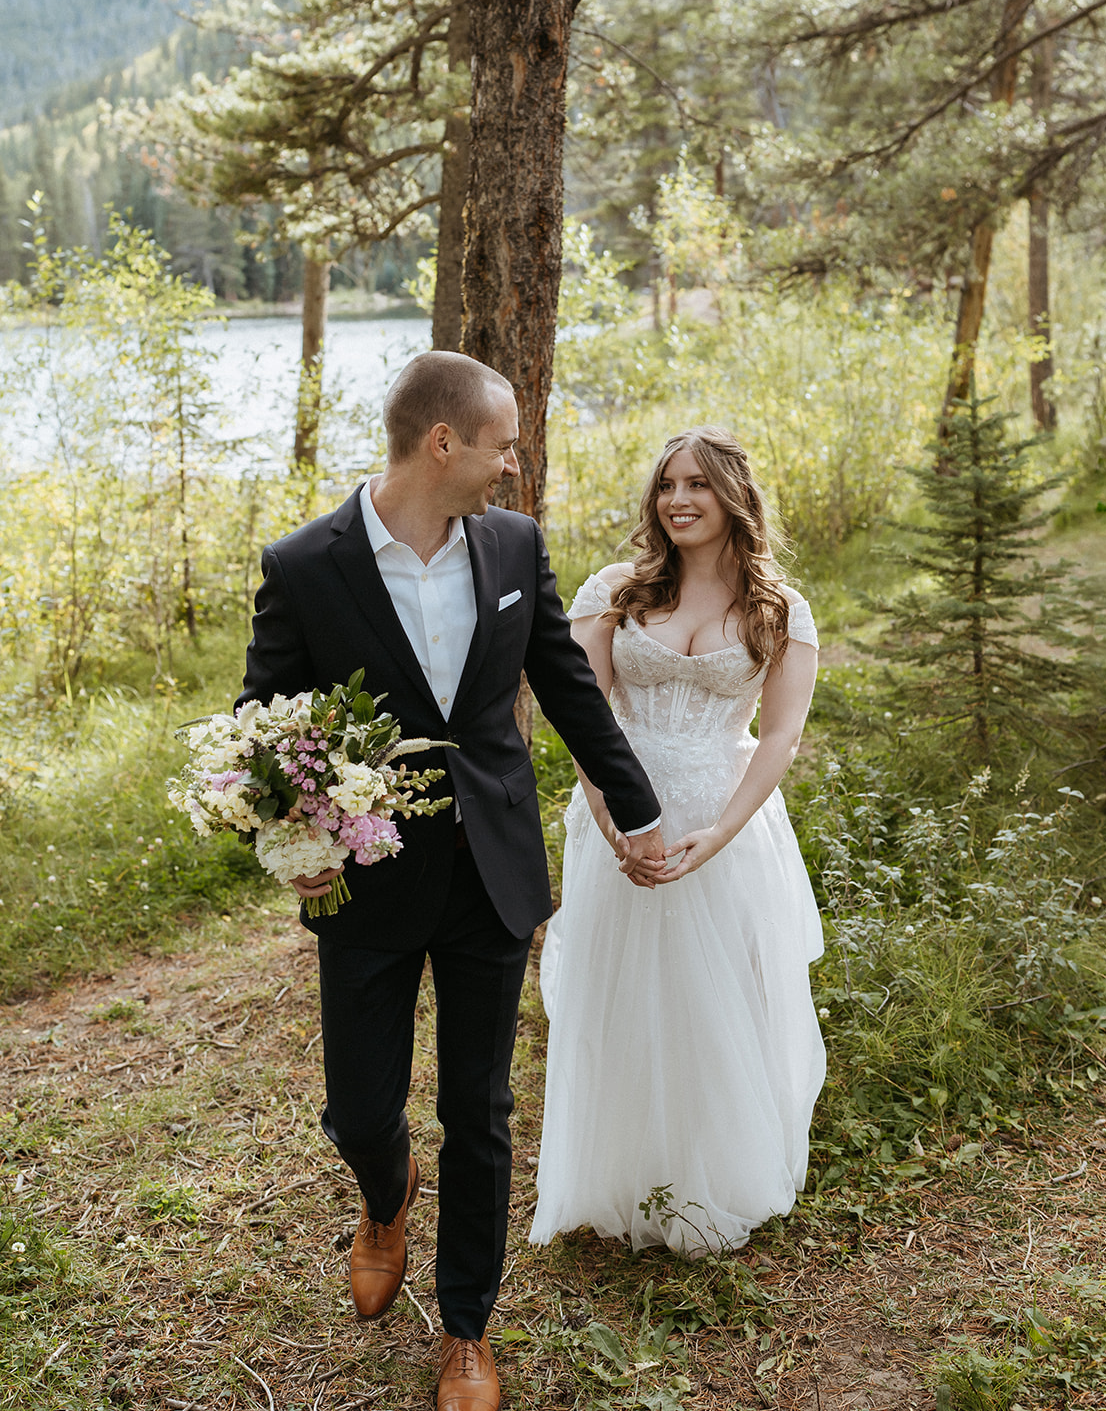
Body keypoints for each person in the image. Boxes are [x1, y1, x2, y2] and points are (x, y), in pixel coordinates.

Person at [237, 352, 666, 1411]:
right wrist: (293, 838)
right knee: (359, 1108)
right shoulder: (303, 564)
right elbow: (265, 728)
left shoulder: (514, 544)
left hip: (492, 872)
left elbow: (564, 686)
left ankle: (467, 1328)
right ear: (444, 443)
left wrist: (639, 807)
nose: (512, 466)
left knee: (478, 1109)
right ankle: (386, 1198)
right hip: (368, 881)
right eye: (502, 444)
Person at [529, 426, 826, 1258]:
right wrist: (614, 824)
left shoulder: (778, 610)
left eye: (696, 484)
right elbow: (580, 714)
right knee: (619, 995)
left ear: (733, 495)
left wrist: (719, 836)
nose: (677, 500)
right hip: (621, 819)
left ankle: (711, 1176)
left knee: (718, 999)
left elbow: (777, 739)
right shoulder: (615, 591)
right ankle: (620, 1173)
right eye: (665, 485)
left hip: (725, 825)